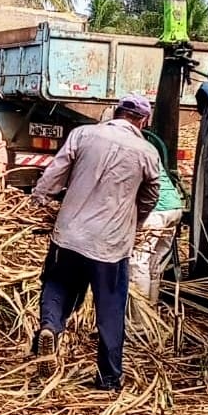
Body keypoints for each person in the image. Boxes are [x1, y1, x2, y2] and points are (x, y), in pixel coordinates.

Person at [30, 93, 160, 391]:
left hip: (69, 235)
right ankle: (108, 378)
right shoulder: (147, 152)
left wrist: (39, 199)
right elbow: (150, 196)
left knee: (57, 285)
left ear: (116, 112)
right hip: (111, 246)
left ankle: (50, 327)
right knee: (110, 310)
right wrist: (135, 223)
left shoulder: (82, 134)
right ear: (143, 121)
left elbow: (55, 172)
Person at [129, 161, 183, 308]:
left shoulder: (124, 153)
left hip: (155, 212)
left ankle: (139, 316)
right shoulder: (147, 151)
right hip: (174, 207)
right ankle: (151, 309)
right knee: (154, 261)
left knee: (138, 260)